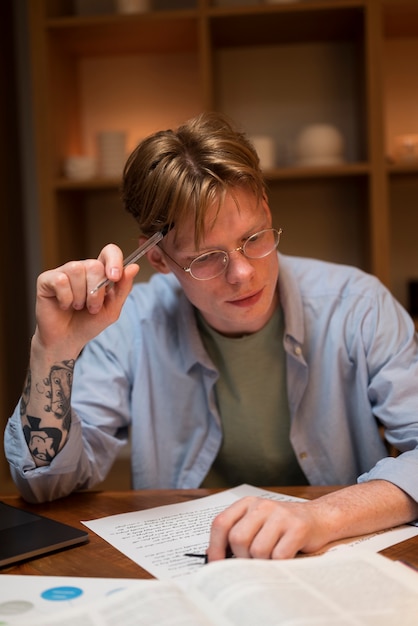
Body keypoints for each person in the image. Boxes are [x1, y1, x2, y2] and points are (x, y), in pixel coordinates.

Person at [4, 112, 418, 562]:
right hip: (190, 568)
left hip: (330, 557)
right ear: (159, 258)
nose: (243, 274)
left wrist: (323, 516)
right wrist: (55, 351)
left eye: (255, 237)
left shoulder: (356, 305)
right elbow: (45, 486)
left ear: (266, 205)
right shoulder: (130, 325)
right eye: (205, 258)